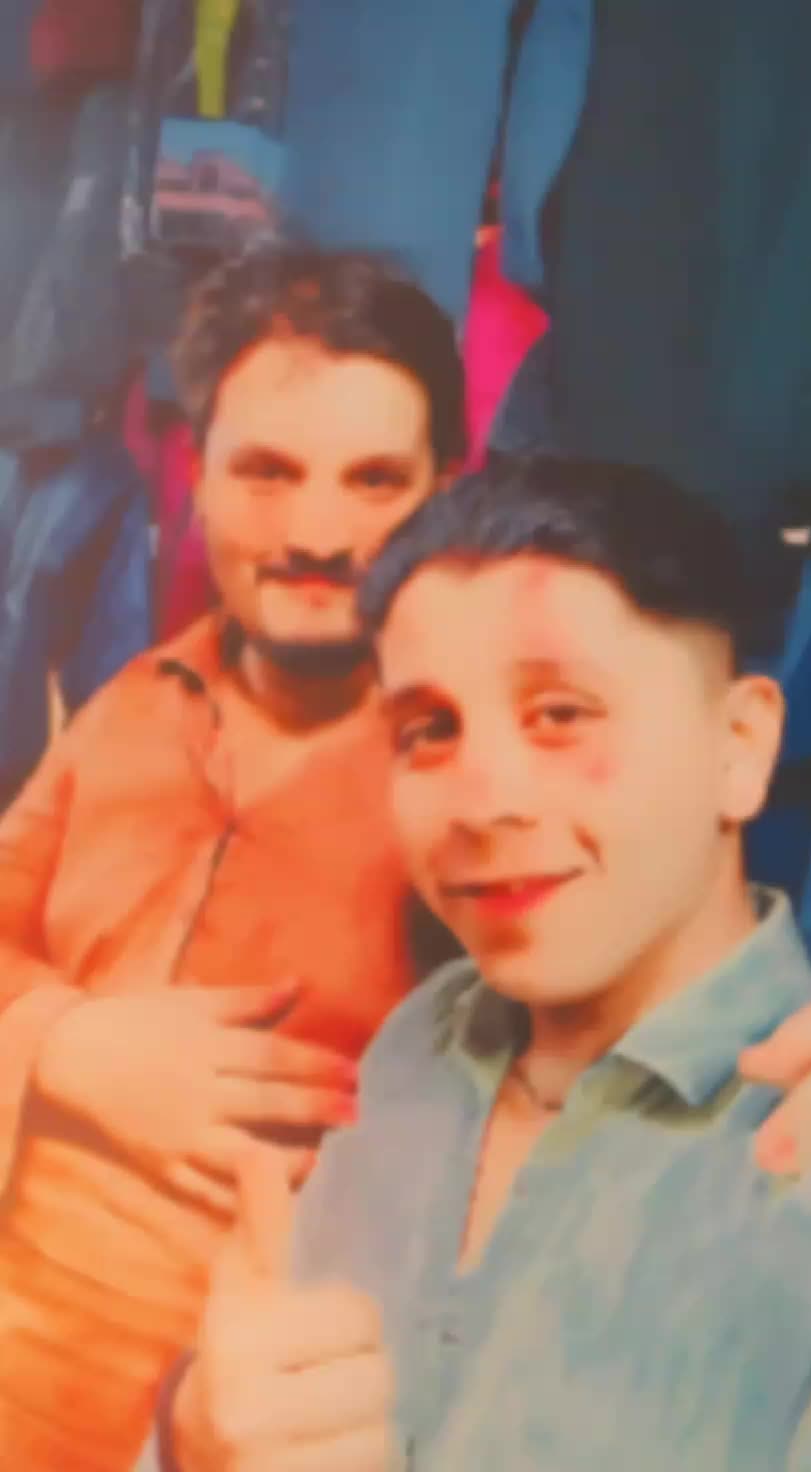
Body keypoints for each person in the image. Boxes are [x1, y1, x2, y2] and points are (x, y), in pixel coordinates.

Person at [165, 456, 811, 1472]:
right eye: (428, 730)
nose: (480, 802)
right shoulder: (419, 1044)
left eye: (561, 712)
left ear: (738, 746)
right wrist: (194, 1439)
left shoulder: (806, 1154)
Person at [0, 244, 464, 1471]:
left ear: (444, 491)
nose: (316, 531)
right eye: (266, 471)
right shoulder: (139, 698)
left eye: (374, 480)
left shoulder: (474, 765)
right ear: (194, 472)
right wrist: (66, 1040)